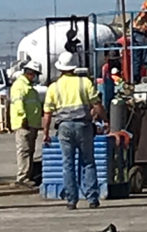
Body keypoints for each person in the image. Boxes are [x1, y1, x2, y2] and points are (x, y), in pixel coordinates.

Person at [42, 51, 107, 211]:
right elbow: (97, 104)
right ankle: (92, 198)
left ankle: (71, 201)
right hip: (83, 126)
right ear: (73, 67)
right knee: (88, 162)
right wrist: (105, 120)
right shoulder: (84, 83)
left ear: (60, 68)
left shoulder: (53, 87)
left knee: (68, 164)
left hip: (64, 127)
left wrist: (45, 133)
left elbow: (47, 113)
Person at [9, 59, 42, 188]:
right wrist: (23, 118)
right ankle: (22, 177)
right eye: (35, 74)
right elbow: (18, 103)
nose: (35, 77)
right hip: (24, 124)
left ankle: (27, 175)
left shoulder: (29, 87)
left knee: (29, 151)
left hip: (31, 124)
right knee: (24, 150)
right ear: (29, 73)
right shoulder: (19, 86)